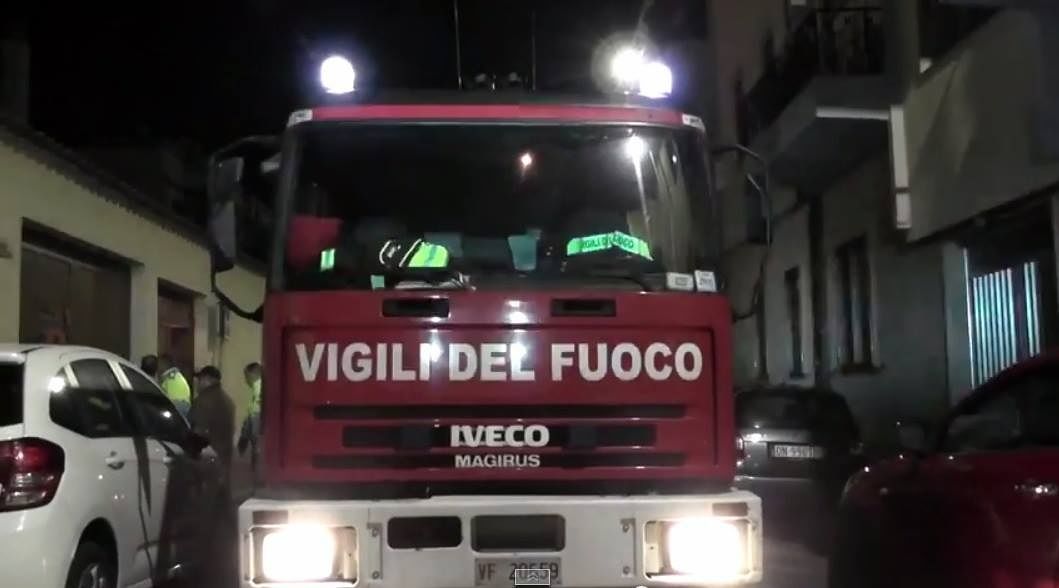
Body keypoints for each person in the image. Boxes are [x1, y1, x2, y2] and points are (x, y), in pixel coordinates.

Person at [189, 366, 236, 486]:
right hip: (224, 457)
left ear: (207, 380)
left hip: (206, 457)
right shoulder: (228, 400)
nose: (197, 384)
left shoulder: (202, 401)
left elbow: (197, 431)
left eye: (199, 380)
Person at [237, 363, 262, 470]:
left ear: (253, 374)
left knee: (255, 441)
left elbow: (259, 404)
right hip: (254, 416)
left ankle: (255, 466)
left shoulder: (259, 385)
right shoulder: (257, 386)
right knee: (252, 440)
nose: (246, 380)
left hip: (257, 416)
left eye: (246, 376)